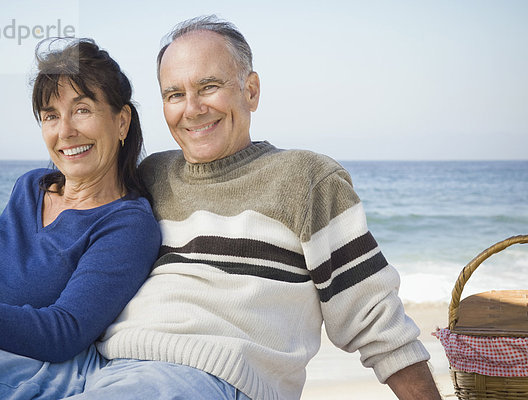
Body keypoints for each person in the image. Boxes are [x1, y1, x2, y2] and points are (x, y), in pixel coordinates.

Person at [93, 16, 443, 400]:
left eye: (208, 87)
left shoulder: (305, 178)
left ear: (251, 90)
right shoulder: (152, 174)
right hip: (103, 365)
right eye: (174, 94)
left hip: (210, 376)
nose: (191, 110)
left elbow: (374, 317)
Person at [0, 38, 161, 399]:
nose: (64, 131)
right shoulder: (31, 188)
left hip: (35, 367)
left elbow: (62, 332)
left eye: (82, 109)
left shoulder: (127, 224)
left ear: (122, 121)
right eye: (50, 115)